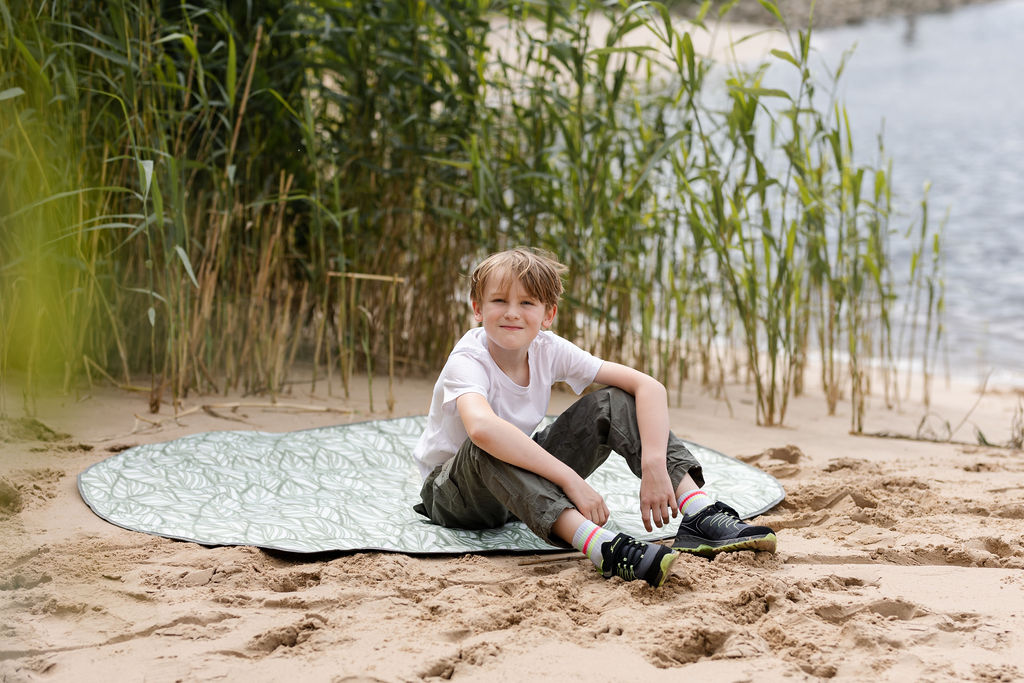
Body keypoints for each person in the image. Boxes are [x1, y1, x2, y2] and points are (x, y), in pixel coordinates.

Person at [412, 247, 776, 587]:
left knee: (613, 401)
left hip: (516, 492)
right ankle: (601, 546)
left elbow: (648, 387)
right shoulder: (468, 359)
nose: (511, 312)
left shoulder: (546, 348)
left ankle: (699, 512)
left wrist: (653, 466)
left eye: (527, 302)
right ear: (477, 308)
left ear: (548, 314)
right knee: (489, 442)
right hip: (455, 495)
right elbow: (482, 428)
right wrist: (572, 481)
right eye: (498, 301)